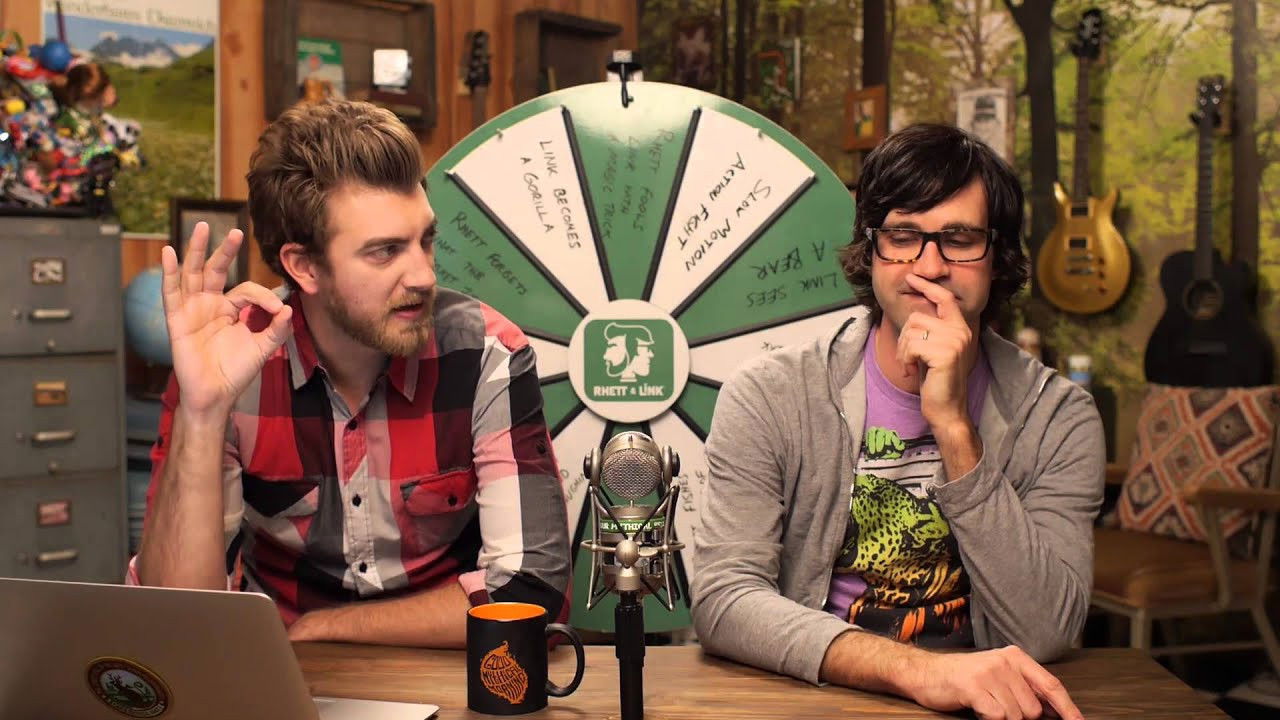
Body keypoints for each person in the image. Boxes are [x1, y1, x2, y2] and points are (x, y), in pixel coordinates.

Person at [692, 124, 1102, 720]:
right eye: (903, 237)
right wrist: (919, 672)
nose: (929, 266)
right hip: (814, 697)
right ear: (871, 251)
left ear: (999, 258)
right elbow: (725, 599)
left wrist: (954, 428)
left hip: (990, 706)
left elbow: (1048, 630)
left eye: (959, 239)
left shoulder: (1058, 416)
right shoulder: (771, 395)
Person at [133, 100, 571, 648]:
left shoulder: (485, 353)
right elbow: (176, 622)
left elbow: (530, 592)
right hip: (286, 677)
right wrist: (201, 412)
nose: (423, 275)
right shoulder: (230, 361)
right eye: (385, 252)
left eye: (426, 240)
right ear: (304, 267)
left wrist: (326, 628)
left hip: (449, 670)